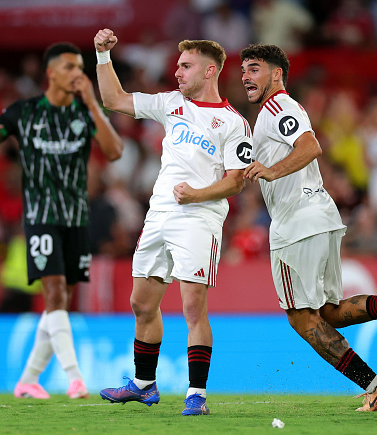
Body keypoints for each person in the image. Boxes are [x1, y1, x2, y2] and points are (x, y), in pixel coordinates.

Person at [240, 43, 377, 412]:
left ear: (277, 74)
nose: (245, 76)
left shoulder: (277, 107)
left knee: (303, 319)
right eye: (243, 70)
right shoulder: (280, 111)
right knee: (329, 312)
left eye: (254, 68)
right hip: (320, 214)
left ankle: (374, 386)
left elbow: (310, 146)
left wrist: (271, 171)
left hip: (296, 223)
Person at [93, 28, 252, 415]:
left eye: (186, 66)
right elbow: (114, 99)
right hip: (159, 214)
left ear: (209, 71)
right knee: (141, 303)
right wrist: (102, 56)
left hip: (199, 217)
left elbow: (236, 181)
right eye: (177, 66)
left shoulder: (233, 123)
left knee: (193, 308)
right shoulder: (170, 103)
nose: (177, 72)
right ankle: (144, 384)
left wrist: (197, 194)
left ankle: (197, 394)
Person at [0, 42, 123, 399]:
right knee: (53, 292)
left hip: (76, 217)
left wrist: (92, 103)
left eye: (80, 67)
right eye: (69, 67)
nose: (77, 73)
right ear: (51, 73)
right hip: (41, 215)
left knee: (60, 302)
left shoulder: (84, 112)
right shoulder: (24, 112)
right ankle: (75, 378)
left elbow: (114, 151)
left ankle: (27, 380)